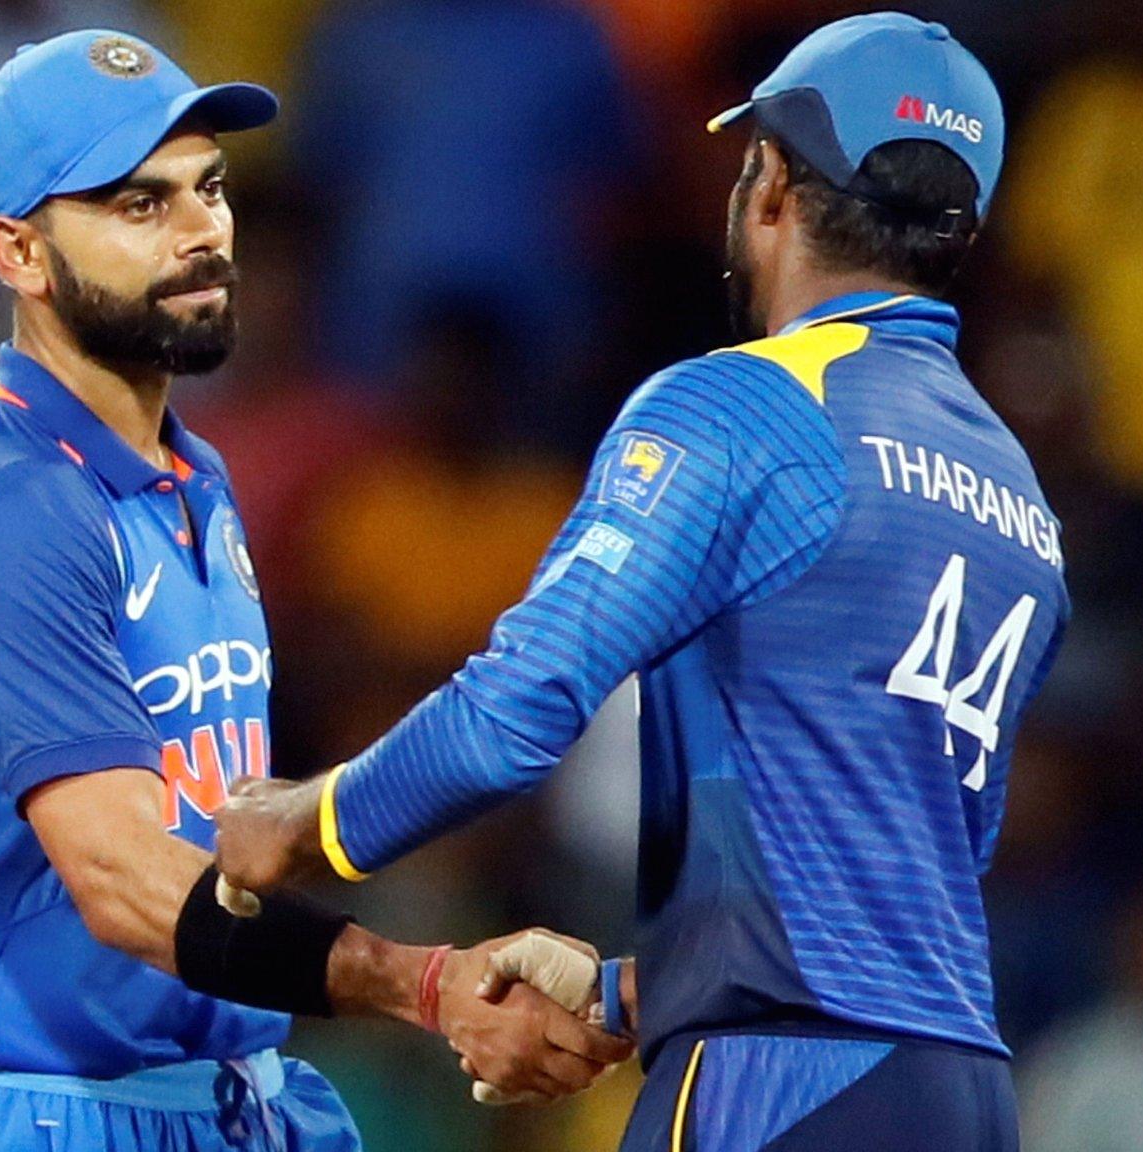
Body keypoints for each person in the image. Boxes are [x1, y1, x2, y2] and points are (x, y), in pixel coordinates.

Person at [217, 14, 1070, 1151]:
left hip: (773, 1083)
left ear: (769, 183)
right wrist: (624, 994)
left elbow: (512, 715)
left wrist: (305, 823)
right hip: (953, 1089)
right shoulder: (1018, 499)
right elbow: (884, 884)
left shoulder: (741, 406)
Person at [0, 31, 629, 1152]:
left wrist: (454, 948)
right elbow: (125, 884)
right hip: (56, 1119)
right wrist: (421, 983)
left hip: (232, 1101)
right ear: (15, 252)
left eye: (207, 188)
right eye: (136, 205)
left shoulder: (193, 481)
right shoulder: (1, 515)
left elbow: (224, 828)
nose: (201, 231)